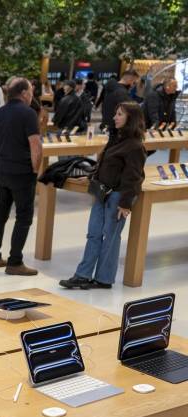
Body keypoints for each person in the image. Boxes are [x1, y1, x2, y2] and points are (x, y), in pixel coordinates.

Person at [59, 102, 146, 290]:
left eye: (120, 114)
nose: (115, 117)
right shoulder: (115, 139)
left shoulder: (135, 146)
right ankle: (82, 275)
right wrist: (90, 177)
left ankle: (104, 279)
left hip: (117, 198)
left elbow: (134, 178)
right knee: (94, 234)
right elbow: (106, 166)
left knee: (111, 238)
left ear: (131, 119)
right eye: (116, 113)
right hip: (101, 194)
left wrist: (125, 204)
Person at [0, 77, 42, 276]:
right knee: (24, 217)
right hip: (22, 172)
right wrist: (35, 170)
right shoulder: (28, 114)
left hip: (2, 170)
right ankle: (15, 262)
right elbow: (35, 145)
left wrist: (1, 156)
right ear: (24, 93)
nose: (32, 95)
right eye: (31, 91)